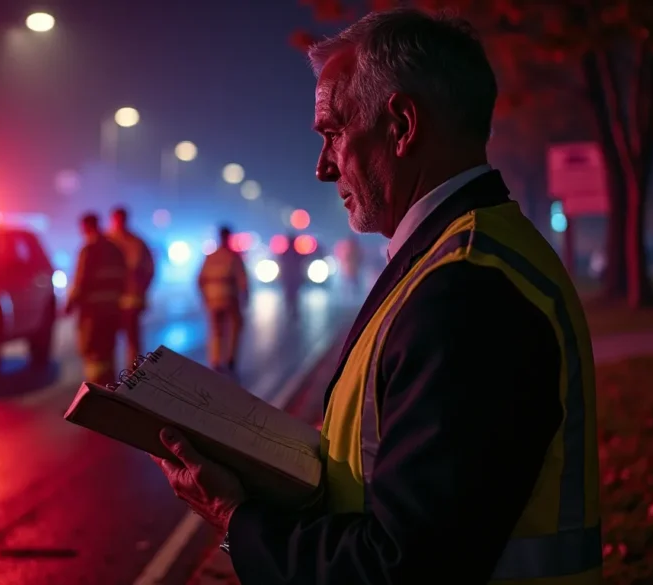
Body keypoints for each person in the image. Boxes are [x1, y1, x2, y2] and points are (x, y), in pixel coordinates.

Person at [151, 8, 601, 584]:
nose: (321, 167)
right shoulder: (461, 259)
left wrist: (237, 519)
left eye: (333, 133)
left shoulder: (463, 293)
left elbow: (402, 566)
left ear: (402, 125)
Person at [65, 213, 127, 387]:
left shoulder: (89, 250)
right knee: (108, 351)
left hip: (92, 313)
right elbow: (124, 279)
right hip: (113, 310)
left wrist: (69, 304)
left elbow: (81, 281)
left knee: (92, 352)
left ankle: (96, 390)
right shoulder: (115, 249)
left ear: (85, 227)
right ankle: (111, 389)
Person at [107, 206, 156, 367]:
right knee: (110, 341)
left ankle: (133, 375)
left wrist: (141, 290)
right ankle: (112, 378)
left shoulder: (136, 243)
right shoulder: (107, 241)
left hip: (130, 301)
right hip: (111, 301)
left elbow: (149, 269)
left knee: (132, 340)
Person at [197, 225, 249, 372]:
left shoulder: (210, 257)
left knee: (216, 329)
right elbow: (242, 279)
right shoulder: (233, 256)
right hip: (229, 298)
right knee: (235, 326)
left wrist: (205, 297)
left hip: (213, 299)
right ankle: (230, 357)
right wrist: (245, 297)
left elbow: (200, 279)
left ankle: (215, 360)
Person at [278, 232, 303, 316]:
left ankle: (291, 310)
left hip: (290, 278)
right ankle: (293, 311)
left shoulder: (286, 254)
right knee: (293, 295)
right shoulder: (296, 254)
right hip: (292, 278)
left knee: (290, 295)